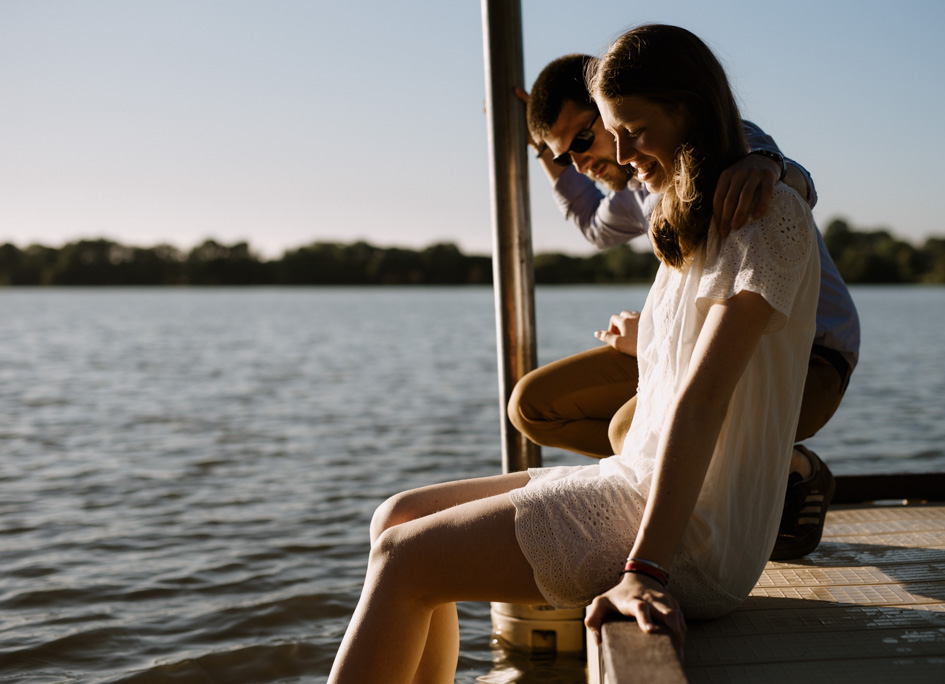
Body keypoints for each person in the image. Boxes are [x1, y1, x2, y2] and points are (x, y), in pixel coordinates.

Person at [327, 24, 824, 683]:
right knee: (398, 516)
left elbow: (704, 400)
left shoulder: (767, 216)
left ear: (690, 109)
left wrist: (644, 572)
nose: (618, 153)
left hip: (697, 540)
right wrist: (640, 337)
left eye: (633, 130)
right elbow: (673, 364)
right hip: (634, 478)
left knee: (405, 559)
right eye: (611, 131)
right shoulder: (687, 216)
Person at [508, 52, 860, 560]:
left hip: (809, 357)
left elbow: (781, 180)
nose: (580, 163)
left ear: (614, 111)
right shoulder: (640, 191)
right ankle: (734, 474)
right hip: (698, 347)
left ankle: (790, 471)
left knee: (627, 428)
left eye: (583, 140)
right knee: (533, 406)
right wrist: (546, 152)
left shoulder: (721, 144)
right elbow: (589, 221)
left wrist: (772, 165)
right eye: (567, 157)